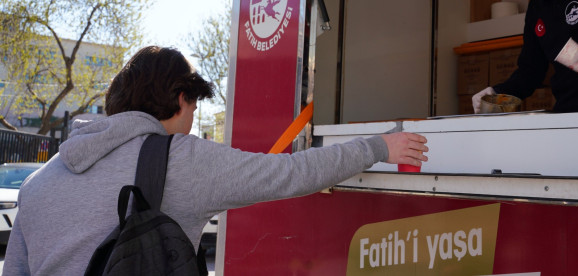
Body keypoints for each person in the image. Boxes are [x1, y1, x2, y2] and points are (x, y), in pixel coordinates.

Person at [4, 46, 428, 275]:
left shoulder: (39, 182)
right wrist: (378, 147)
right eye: (192, 108)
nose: (191, 121)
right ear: (181, 99)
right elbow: (292, 173)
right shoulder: (180, 160)